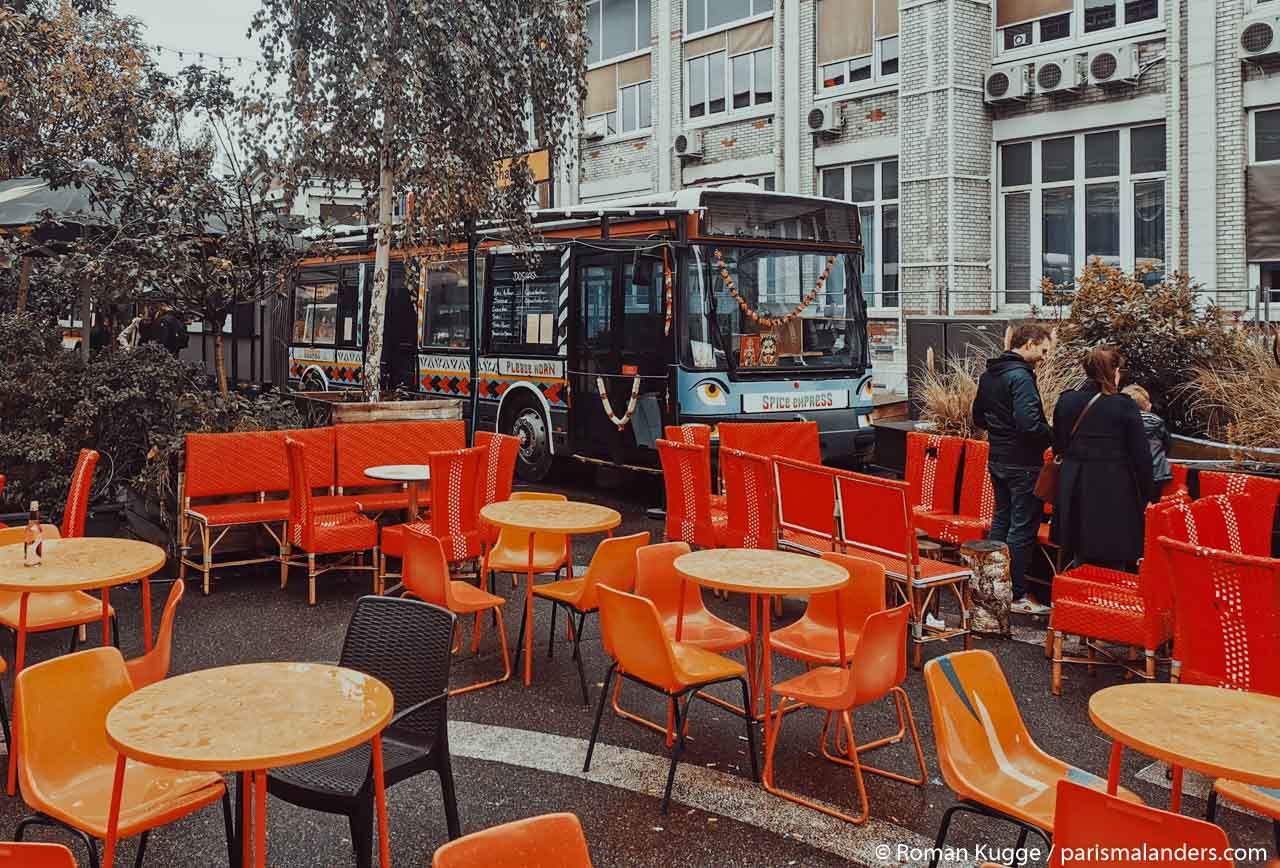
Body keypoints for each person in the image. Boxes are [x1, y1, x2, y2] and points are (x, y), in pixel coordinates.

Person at [972, 322, 1055, 615]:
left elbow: (978, 417)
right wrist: (1053, 434)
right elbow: (1029, 424)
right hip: (1023, 462)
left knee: (1001, 521)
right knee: (1022, 527)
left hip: (997, 458)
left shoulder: (989, 375)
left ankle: (992, 590)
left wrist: (1000, 430)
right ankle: (1016, 593)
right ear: (1029, 343)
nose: (1046, 357)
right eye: (1044, 350)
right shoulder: (1021, 378)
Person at [1052, 348, 1157, 570]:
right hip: (1114, 485)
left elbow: (1059, 444)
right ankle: (1106, 598)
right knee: (1113, 551)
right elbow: (1141, 455)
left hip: (1075, 482)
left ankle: (1077, 593)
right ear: (1114, 372)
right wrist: (1149, 494)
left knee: (1079, 546)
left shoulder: (1066, 400)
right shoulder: (1123, 405)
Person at [1121, 384, 1173, 489]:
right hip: (1156, 473)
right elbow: (1167, 444)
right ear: (1147, 405)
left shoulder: (1121, 421)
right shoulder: (1157, 422)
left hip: (1130, 473)